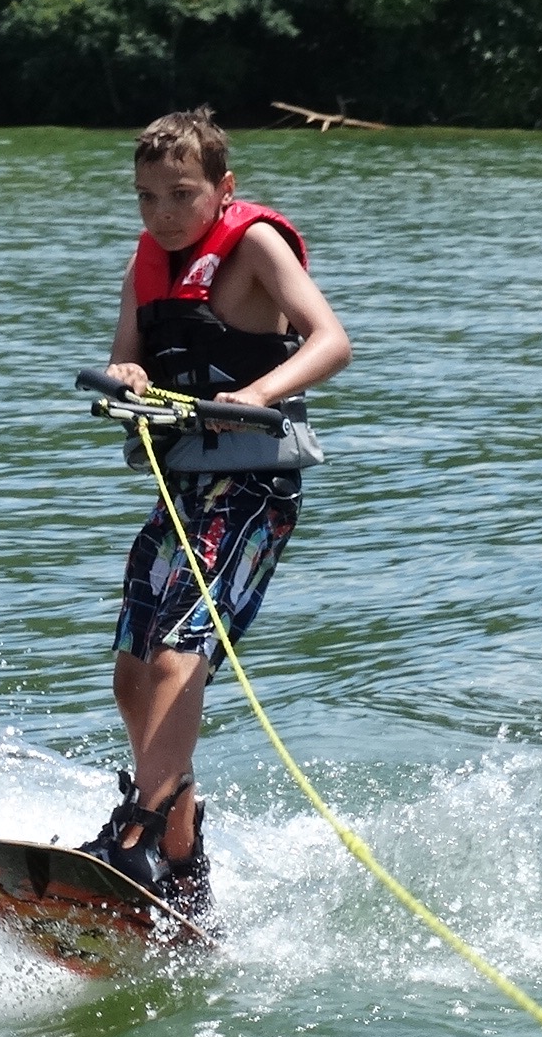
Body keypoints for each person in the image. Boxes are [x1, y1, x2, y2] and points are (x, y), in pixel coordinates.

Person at [83, 107, 350, 914]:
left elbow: (331, 341)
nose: (163, 214)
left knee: (177, 652)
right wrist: (127, 377)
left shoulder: (256, 245)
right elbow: (125, 356)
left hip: (255, 488)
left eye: (182, 195)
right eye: (146, 197)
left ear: (223, 189)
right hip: (185, 487)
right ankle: (180, 847)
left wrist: (258, 393)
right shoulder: (145, 266)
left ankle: (137, 833)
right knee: (133, 668)